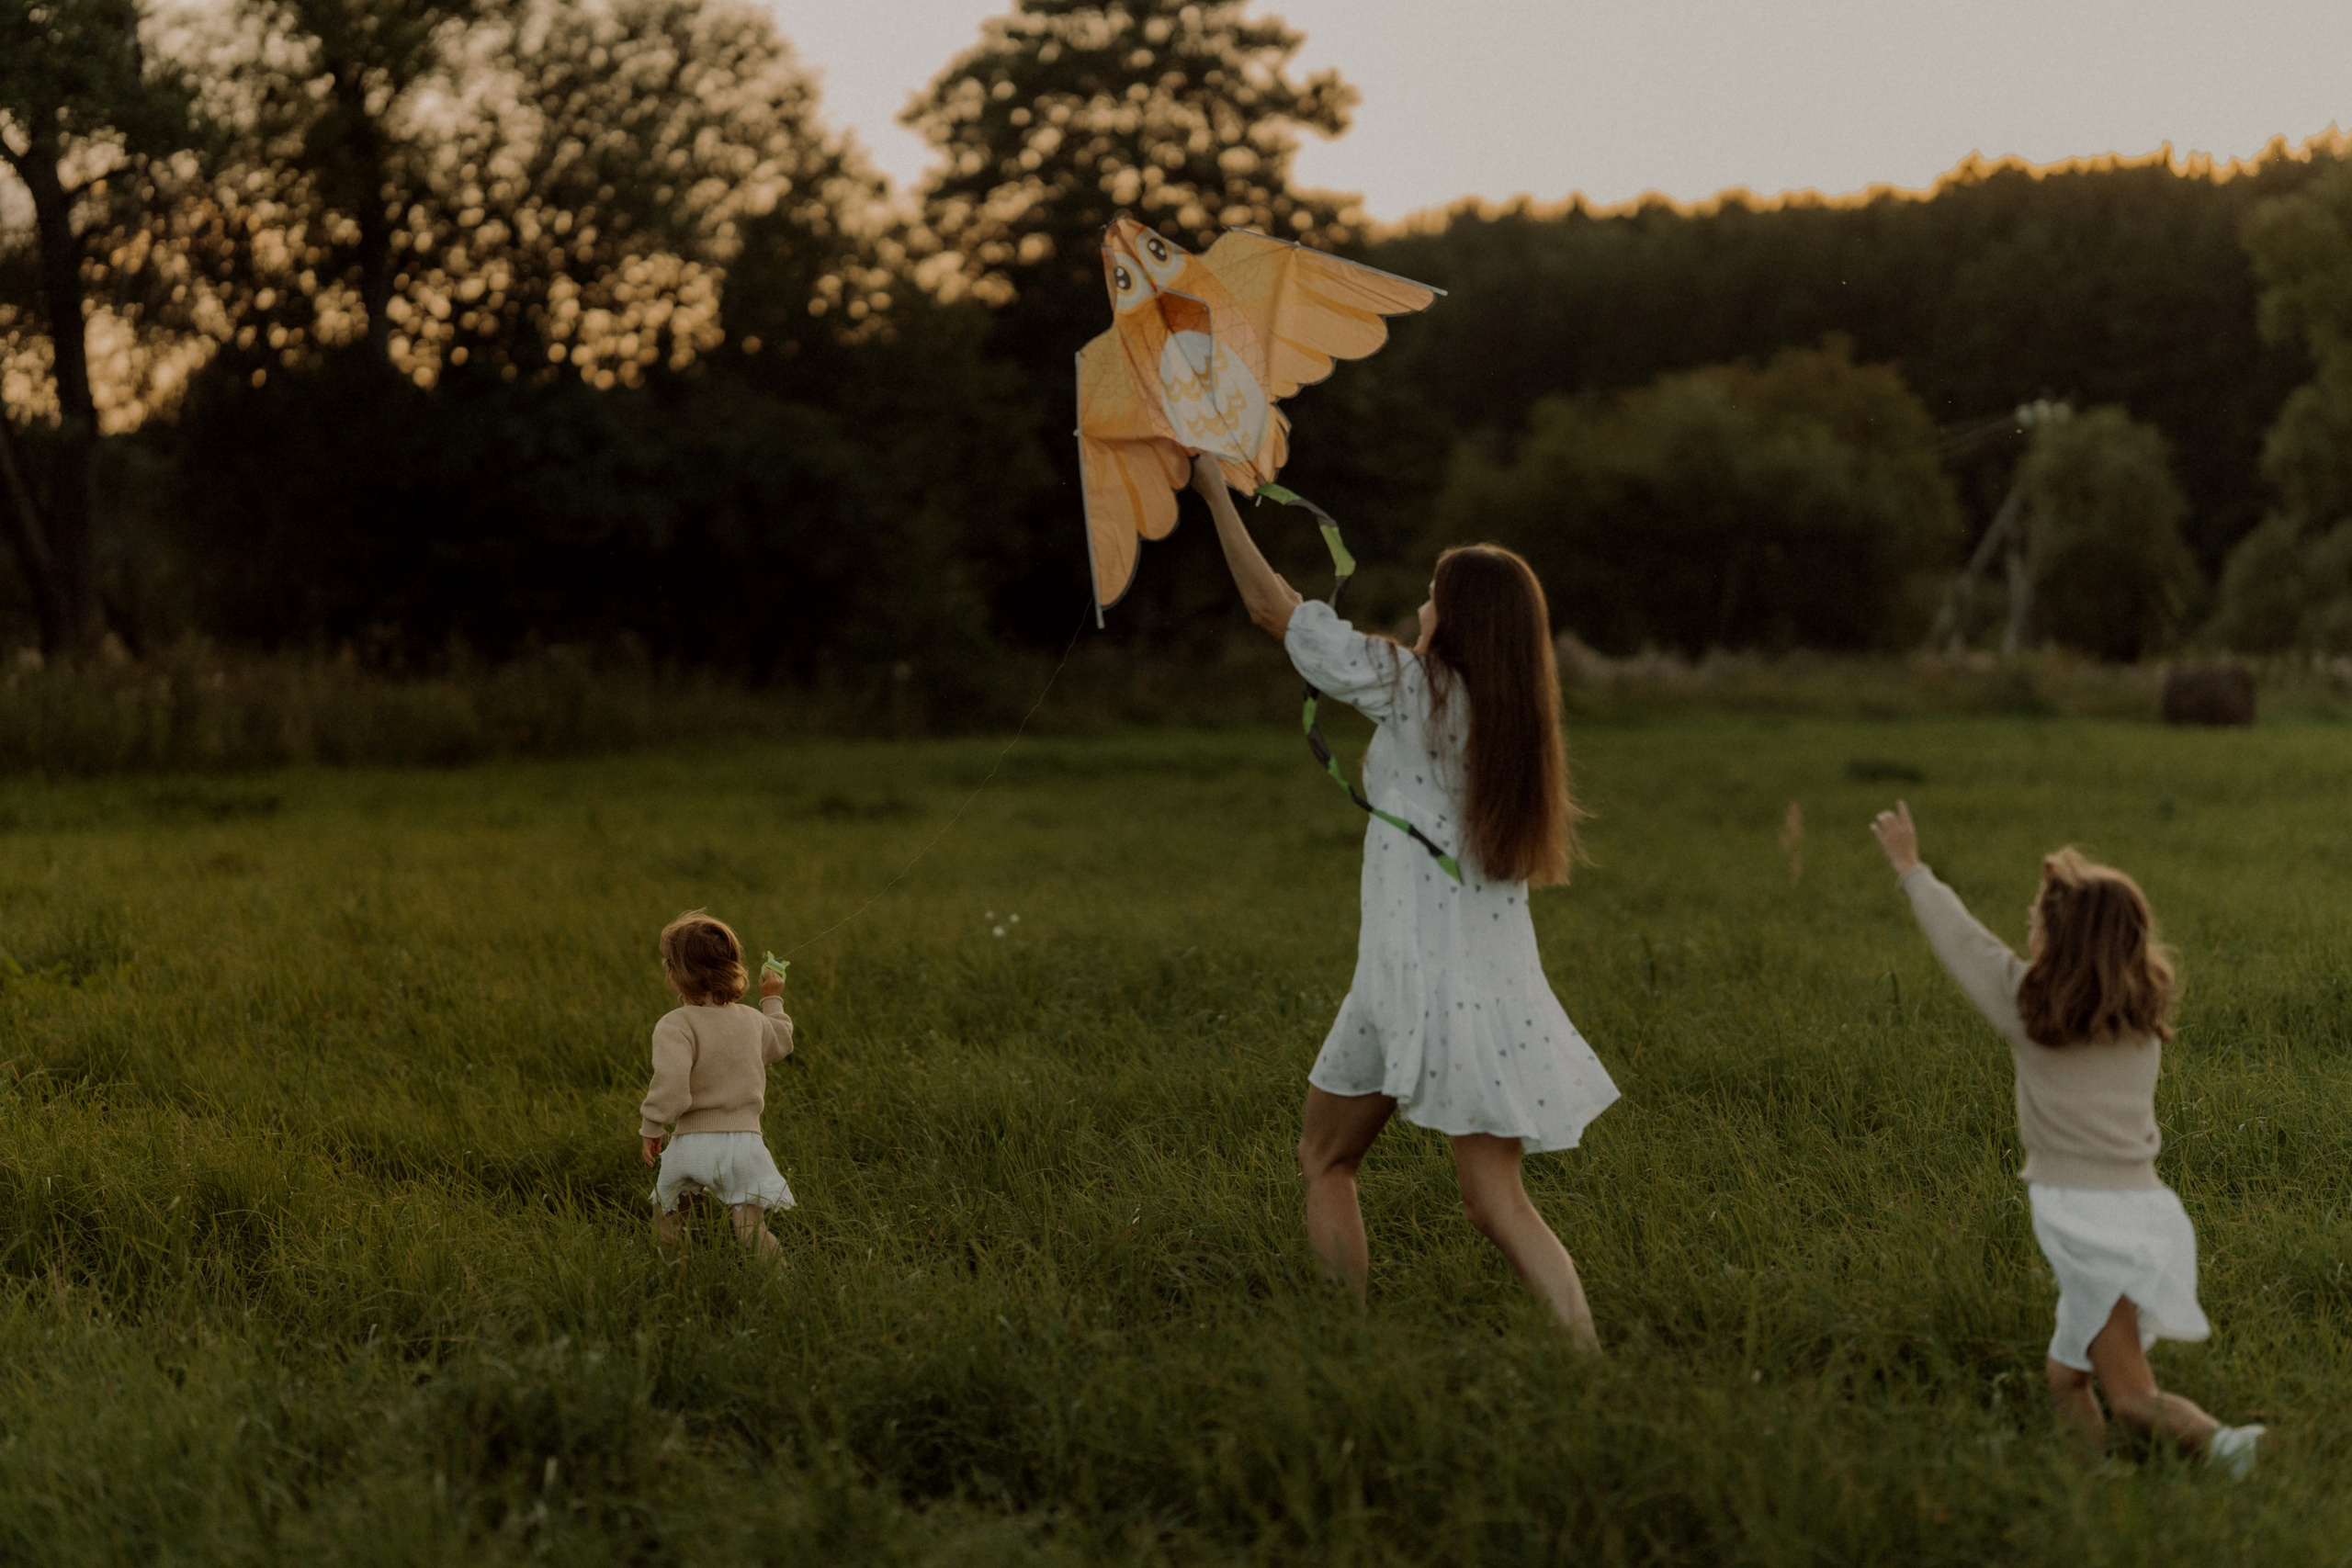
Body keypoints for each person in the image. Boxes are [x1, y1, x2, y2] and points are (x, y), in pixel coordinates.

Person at [1193, 459, 1620, 1346]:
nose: (1422, 607)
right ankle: (1582, 1355)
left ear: (1461, 619)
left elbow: (1275, 609)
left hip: (1410, 982)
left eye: (1433, 595)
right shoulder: (1511, 722)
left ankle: (1352, 1343)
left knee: (1327, 1158)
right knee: (1490, 1200)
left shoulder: (1417, 690)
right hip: (1483, 989)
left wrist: (1210, 492)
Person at [1868, 803, 2265, 1473]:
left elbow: (1963, 941)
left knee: (2133, 1394)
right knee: (2065, 1377)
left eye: (2038, 918)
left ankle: (2233, 1449)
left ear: (2064, 941)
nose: (2026, 922)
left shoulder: (2031, 1009)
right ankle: (2092, 1487)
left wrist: (1911, 869)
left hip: (2088, 1222)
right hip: (2140, 1210)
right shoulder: (2141, 1020)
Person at [639, 910, 797, 1259]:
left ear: (677, 973)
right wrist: (772, 997)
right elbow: (782, 1043)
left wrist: (652, 1126)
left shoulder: (675, 1025)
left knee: (669, 1224)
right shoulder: (752, 1021)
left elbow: (671, 1088)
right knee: (750, 1232)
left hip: (690, 1145)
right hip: (743, 1146)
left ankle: (673, 1281)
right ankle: (784, 1284)